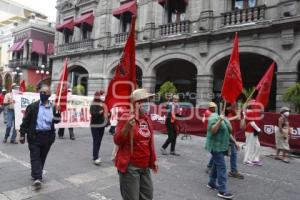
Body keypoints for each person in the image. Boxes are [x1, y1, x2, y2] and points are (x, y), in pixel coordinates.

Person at [114, 88, 158, 200]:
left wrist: (153, 160)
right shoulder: (126, 117)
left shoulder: (146, 118)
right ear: (136, 103)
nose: (148, 103)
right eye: (145, 100)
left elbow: (149, 142)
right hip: (130, 167)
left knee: (147, 196)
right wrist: (126, 128)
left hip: (145, 166)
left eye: (149, 100)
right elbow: (117, 140)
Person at [19, 85, 61, 190]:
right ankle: (38, 177)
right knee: (35, 156)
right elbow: (25, 121)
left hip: (47, 137)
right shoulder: (33, 106)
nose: (42, 94)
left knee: (42, 157)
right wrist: (22, 134)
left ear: (49, 95)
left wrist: (58, 112)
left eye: (45, 93)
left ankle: (35, 173)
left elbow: (56, 121)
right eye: (41, 92)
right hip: (34, 136)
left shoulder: (53, 107)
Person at [205, 111, 234, 199]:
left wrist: (235, 142)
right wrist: (219, 120)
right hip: (215, 147)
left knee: (215, 164)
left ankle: (211, 183)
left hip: (221, 146)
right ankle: (222, 191)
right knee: (221, 167)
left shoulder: (225, 119)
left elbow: (228, 133)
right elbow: (213, 130)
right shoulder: (214, 117)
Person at [90, 91, 107, 165]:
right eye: (97, 95)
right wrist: (99, 112)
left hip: (101, 125)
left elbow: (107, 110)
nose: (98, 97)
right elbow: (93, 114)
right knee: (96, 141)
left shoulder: (103, 103)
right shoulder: (93, 104)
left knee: (99, 141)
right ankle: (95, 157)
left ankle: (96, 155)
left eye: (99, 95)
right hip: (94, 125)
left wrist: (108, 113)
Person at [243, 100, 263, 166]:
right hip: (250, 131)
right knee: (249, 146)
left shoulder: (249, 112)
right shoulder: (249, 112)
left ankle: (254, 159)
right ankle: (247, 160)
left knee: (257, 145)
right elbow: (252, 123)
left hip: (253, 131)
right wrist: (259, 130)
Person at [204, 102, 217, 173]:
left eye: (214, 107)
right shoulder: (208, 113)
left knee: (215, 152)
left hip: (210, 132)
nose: (214, 108)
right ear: (210, 108)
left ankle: (210, 166)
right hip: (211, 133)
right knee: (215, 152)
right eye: (213, 107)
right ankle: (210, 166)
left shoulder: (209, 113)